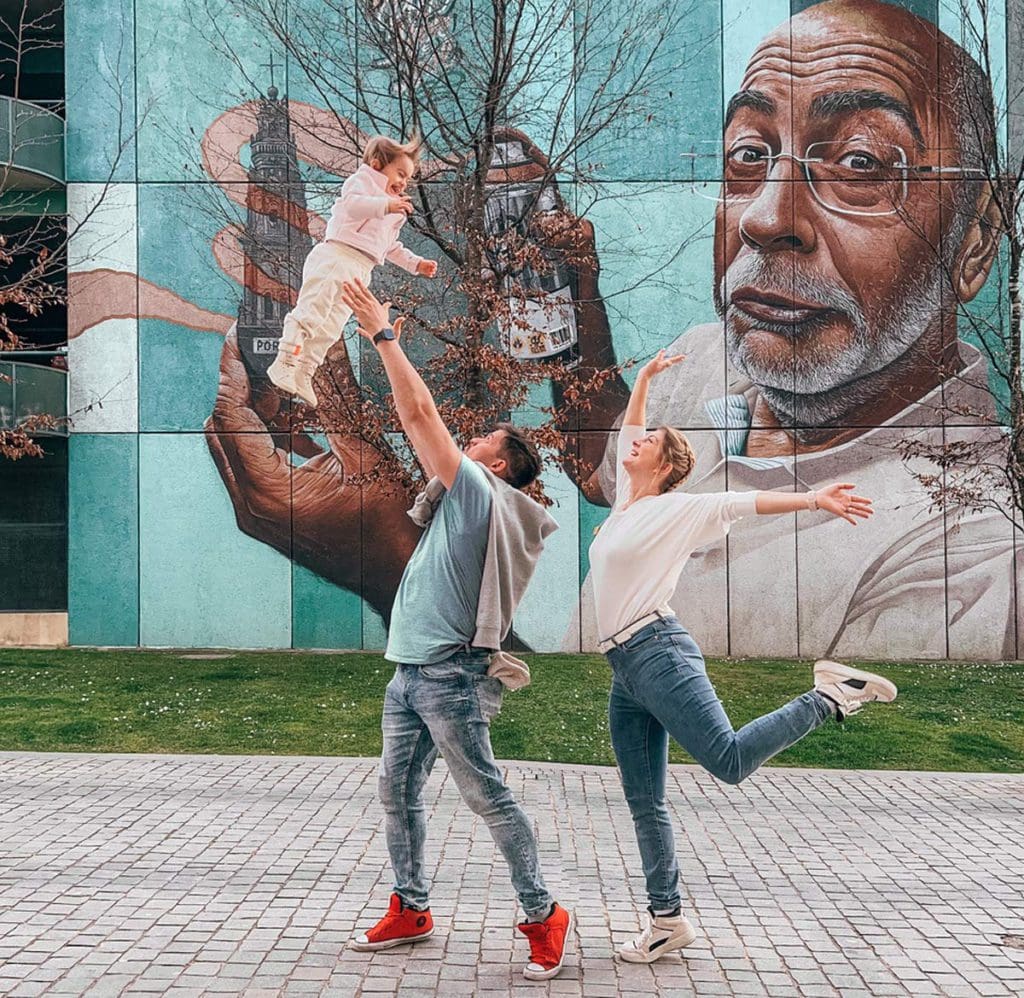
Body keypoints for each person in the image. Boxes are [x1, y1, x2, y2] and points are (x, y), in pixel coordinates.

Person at [592, 349, 897, 964]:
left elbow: (741, 505)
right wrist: (646, 381)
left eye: (646, 442)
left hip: (658, 654)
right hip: (627, 669)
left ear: (667, 462)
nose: (633, 442)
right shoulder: (628, 498)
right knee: (644, 800)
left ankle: (828, 697)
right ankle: (667, 919)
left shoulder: (676, 508)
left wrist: (815, 500)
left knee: (728, 760)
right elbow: (629, 427)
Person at [338, 278, 573, 981]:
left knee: (485, 794)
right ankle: (411, 909)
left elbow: (415, 412)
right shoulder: (457, 504)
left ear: (495, 464)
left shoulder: (478, 492)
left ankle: (542, 915)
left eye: (477, 442)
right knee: (396, 791)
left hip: (448, 678)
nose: (462, 444)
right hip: (408, 674)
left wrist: (384, 337)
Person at [267, 134, 439, 406]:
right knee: (314, 310)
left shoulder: (392, 208)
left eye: (408, 179)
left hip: (360, 270)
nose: (404, 183)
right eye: (400, 173)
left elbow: (390, 246)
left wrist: (415, 263)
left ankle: (305, 371)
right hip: (337, 256)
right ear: (377, 164)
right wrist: (386, 205)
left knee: (331, 326)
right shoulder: (361, 183)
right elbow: (354, 206)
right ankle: (285, 360)